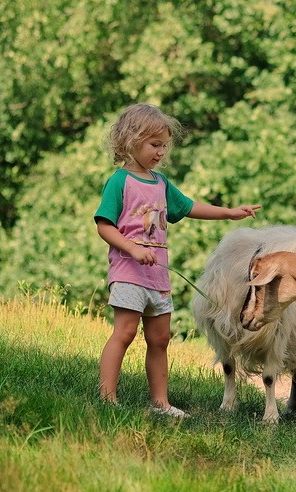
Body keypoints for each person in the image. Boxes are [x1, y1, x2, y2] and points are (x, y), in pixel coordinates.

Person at [94, 103, 261, 417]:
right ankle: (107, 398)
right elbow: (104, 225)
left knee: (160, 339)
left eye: (164, 146)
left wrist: (229, 212)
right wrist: (131, 248)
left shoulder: (160, 183)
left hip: (158, 277)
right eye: (154, 145)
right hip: (128, 272)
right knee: (125, 333)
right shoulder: (120, 182)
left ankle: (161, 403)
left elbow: (189, 206)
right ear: (131, 141)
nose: (160, 152)